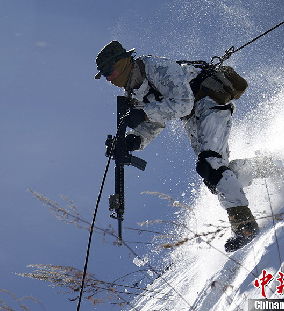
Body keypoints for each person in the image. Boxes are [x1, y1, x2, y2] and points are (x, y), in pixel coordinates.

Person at [95, 40, 258, 252]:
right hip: (192, 119)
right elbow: (155, 121)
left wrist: (143, 113)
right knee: (214, 176)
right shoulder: (134, 92)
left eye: (110, 72)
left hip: (208, 103)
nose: (109, 79)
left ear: (123, 62)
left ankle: (245, 226)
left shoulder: (155, 68)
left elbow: (183, 103)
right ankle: (273, 166)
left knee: (211, 165)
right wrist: (134, 140)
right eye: (104, 76)